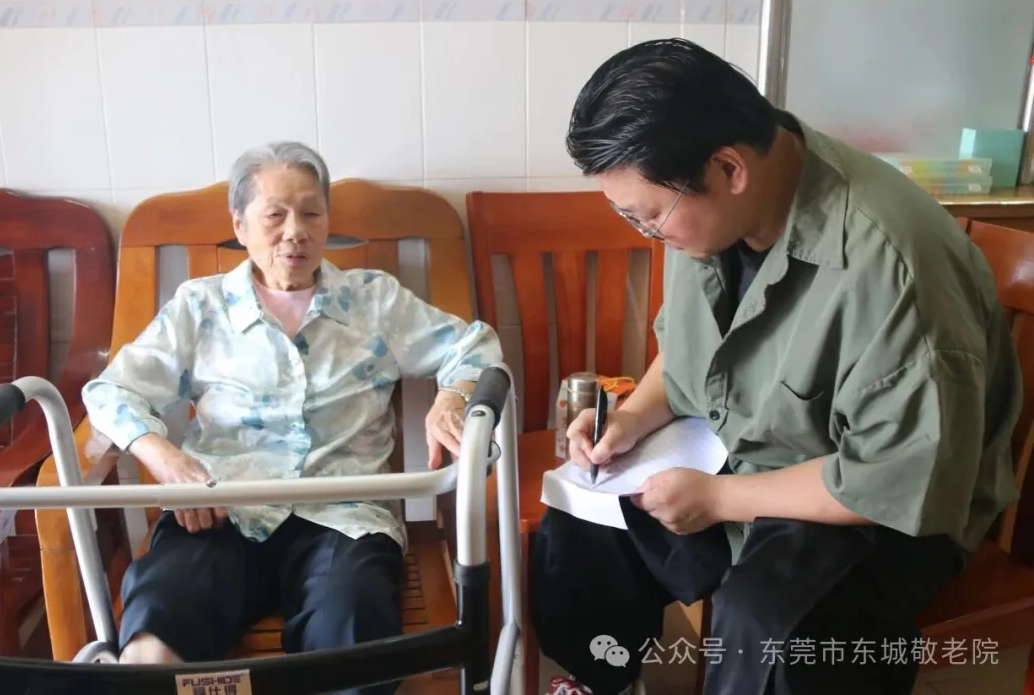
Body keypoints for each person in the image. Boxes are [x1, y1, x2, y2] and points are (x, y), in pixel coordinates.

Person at [530, 38, 1022, 695]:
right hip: (752, 447)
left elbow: (899, 477)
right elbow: (690, 351)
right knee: (584, 516)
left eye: (649, 220)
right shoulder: (715, 209)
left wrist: (720, 500)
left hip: (886, 508)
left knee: (767, 626)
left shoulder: (895, 268)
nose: (651, 234)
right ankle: (602, 681)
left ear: (728, 169)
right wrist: (630, 421)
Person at [81, 141, 503, 694]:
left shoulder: (372, 300)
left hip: (344, 514)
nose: (295, 232)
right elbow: (110, 391)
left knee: (352, 624)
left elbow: (475, 347)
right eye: (275, 215)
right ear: (240, 224)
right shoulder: (201, 307)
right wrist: (165, 460)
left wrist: (452, 397)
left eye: (311, 213)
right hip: (220, 509)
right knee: (163, 609)